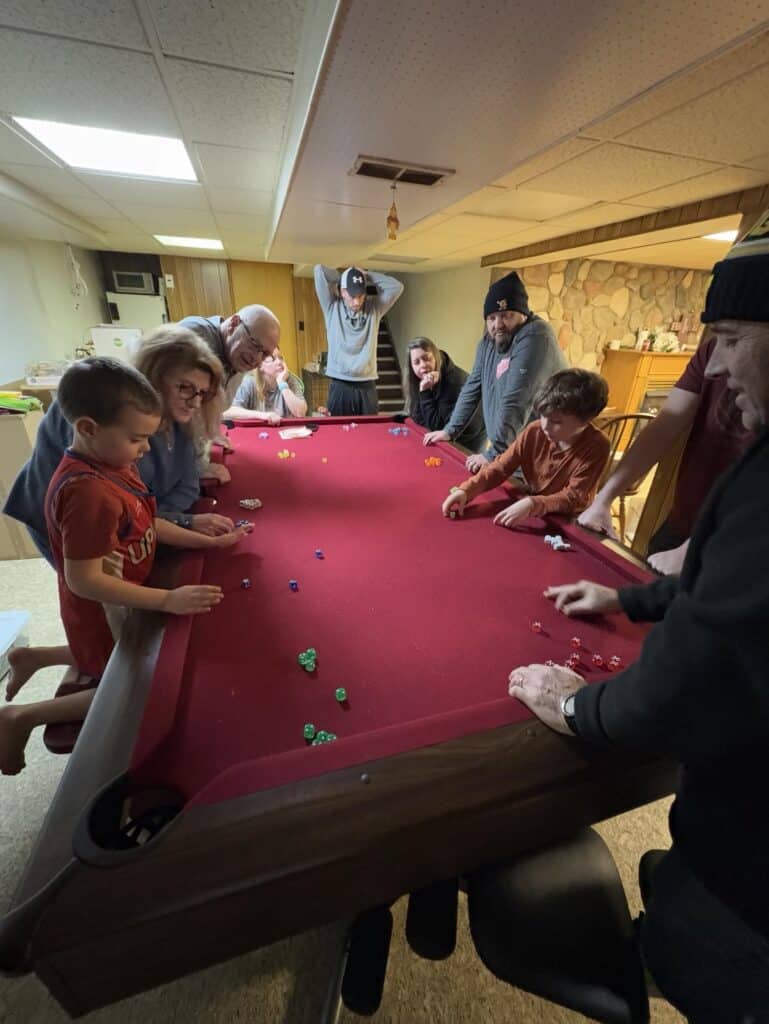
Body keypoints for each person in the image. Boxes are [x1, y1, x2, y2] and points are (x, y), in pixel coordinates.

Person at [507, 219, 769, 1020]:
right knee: (694, 870)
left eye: (732, 338)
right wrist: (627, 598)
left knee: (701, 954)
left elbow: (684, 683)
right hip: (730, 823)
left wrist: (577, 706)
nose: (714, 365)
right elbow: (728, 583)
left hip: (752, 882)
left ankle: (679, 939)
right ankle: (681, 892)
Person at [0, 358, 247, 775]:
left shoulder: (115, 463)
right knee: (131, 688)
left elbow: (145, 520)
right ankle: (21, 717)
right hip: (101, 608)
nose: (146, 449)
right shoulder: (87, 493)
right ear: (88, 428)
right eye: (137, 438)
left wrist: (206, 540)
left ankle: (33, 657)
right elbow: (84, 580)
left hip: (123, 592)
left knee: (113, 654)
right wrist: (167, 599)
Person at [3, 325, 236, 566]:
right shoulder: (105, 414)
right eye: (185, 387)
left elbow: (184, 485)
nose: (195, 403)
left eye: (202, 393)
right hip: (70, 520)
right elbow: (117, 515)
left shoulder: (177, 414)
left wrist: (160, 518)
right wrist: (173, 521)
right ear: (154, 377)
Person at [579, 332, 752, 576]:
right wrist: (604, 499)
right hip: (683, 523)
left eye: (732, 340)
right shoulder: (713, 350)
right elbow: (664, 426)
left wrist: (695, 548)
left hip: (742, 551)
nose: (713, 368)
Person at [424, 271, 566, 473]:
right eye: (492, 318)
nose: (498, 325)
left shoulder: (536, 337)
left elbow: (516, 398)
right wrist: (450, 430)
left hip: (544, 457)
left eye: (506, 315)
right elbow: (472, 387)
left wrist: (493, 453)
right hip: (513, 451)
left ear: (523, 314)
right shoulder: (488, 342)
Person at [442, 369, 609, 527]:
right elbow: (500, 468)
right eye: (543, 416)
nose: (545, 426)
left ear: (586, 421)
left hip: (569, 517)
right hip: (533, 501)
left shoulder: (597, 446)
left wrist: (532, 503)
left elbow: (573, 497)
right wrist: (467, 490)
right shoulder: (535, 430)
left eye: (556, 422)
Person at [178, 305, 281, 482]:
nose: (257, 360)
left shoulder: (236, 355)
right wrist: (197, 468)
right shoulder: (194, 337)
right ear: (234, 324)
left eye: (265, 355)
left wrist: (210, 430)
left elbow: (212, 405)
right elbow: (170, 417)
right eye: (255, 345)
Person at [313, 265, 404, 416]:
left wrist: (366, 275)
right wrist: (346, 276)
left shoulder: (375, 309)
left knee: (370, 429)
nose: (356, 302)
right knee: (339, 429)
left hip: (367, 385)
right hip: (340, 384)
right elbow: (319, 270)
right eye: (352, 296)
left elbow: (397, 287)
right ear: (343, 292)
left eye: (361, 296)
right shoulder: (331, 306)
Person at [404, 337, 486, 452]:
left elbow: (438, 427)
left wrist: (425, 392)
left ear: (435, 356)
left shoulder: (453, 383)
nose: (423, 365)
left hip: (470, 435)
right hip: (450, 430)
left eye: (426, 359)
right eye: (416, 362)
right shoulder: (421, 379)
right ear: (411, 366)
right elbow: (418, 416)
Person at [224, 350, 308, 421]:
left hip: (284, 432)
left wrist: (282, 384)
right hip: (256, 432)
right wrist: (262, 415)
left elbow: (300, 413)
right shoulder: (249, 382)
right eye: (273, 359)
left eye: (281, 358)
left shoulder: (289, 380)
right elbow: (228, 412)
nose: (279, 362)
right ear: (260, 365)